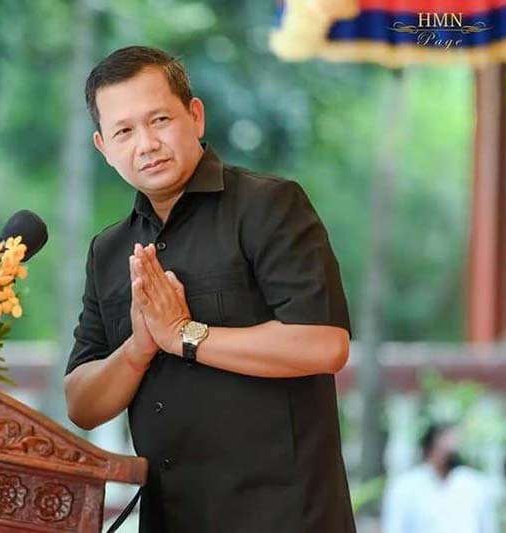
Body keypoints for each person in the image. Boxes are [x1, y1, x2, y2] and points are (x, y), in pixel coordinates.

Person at [63, 45, 355, 532]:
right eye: (124, 131)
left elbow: (324, 344)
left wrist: (184, 334)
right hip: (170, 518)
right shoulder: (109, 251)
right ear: (103, 147)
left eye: (159, 120)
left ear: (194, 116)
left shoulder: (269, 206)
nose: (146, 144)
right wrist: (138, 349)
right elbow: (82, 403)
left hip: (284, 519)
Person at [382, 423, 501, 533]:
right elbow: (394, 527)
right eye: (444, 445)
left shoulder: (474, 484)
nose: (450, 450)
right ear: (429, 448)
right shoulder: (405, 486)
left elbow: (487, 527)